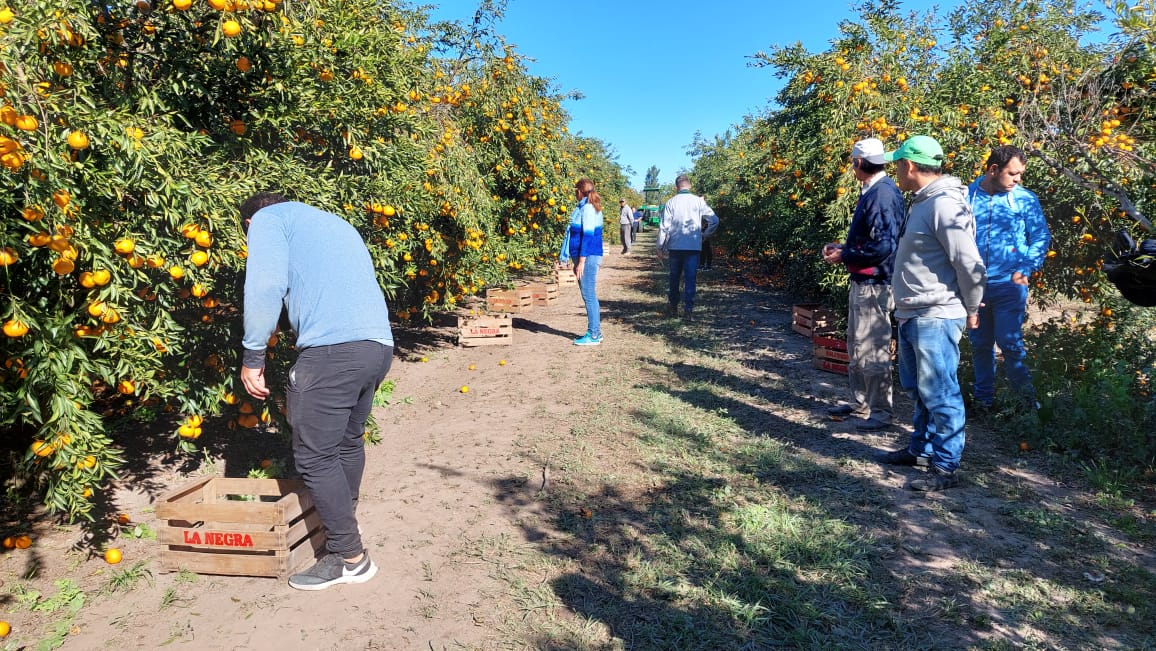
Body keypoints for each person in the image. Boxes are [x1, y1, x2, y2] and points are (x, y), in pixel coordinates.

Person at [239, 193, 394, 589]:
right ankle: (343, 528)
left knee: (314, 455)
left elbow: (265, 285)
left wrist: (253, 355)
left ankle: (349, 558)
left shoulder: (268, 221)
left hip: (333, 351)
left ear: (250, 224)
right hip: (377, 345)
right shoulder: (335, 223)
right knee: (346, 444)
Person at [876, 136, 987, 491]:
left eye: (897, 164)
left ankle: (944, 466)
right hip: (914, 311)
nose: (895, 171)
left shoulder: (944, 205)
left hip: (935, 314)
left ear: (909, 165)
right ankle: (920, 449)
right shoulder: (923, 201)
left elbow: (969, 263)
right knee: (919, 390)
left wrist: (972, 306)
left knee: (940, 391)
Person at [822, 137, 905, 432]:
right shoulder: (874, 191)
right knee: (857, 347)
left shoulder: (882, 194)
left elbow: (884, 245)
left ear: (858, 163)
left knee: (873, 349)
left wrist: (845, 254)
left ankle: (880, 412)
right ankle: (862, 403)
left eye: (852, 163)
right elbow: (873, 240)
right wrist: (844, 248)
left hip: (875, 282)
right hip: (864, 279)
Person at [967, 145, 1051, 409]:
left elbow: (1040, 237)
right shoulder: (967, 196)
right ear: (994, 169)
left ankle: (1026, 405)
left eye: (1020, 174)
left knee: (1010, 343)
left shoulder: (1024, 199)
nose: (1018, 179)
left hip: (1009, 284)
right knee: (980, 345)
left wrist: (1025, 268)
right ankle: (983, 402)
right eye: (1013, 173)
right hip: (975, 286)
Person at [657, 174, 719, 320]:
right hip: (693, 246)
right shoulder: (698, 202)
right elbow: (715, 220)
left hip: (675, 246)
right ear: (689, 186)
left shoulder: (671, 202)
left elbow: (664, 226)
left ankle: (673, 307)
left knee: (674, 277)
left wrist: (660, 246)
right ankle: (688, 311)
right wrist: (705, 234)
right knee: (690, 278)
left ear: (676, 187)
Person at [560, 178, 605, 345]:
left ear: (580, 191)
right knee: (589, 294)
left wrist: (581, 262)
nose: (575, 194)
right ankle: (596, 332)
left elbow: (587, 236)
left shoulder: (587, 208)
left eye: (575, 191)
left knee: (588, 294)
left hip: (589, 256)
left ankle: (593, 335)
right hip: (586, 256)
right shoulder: (586, 207)